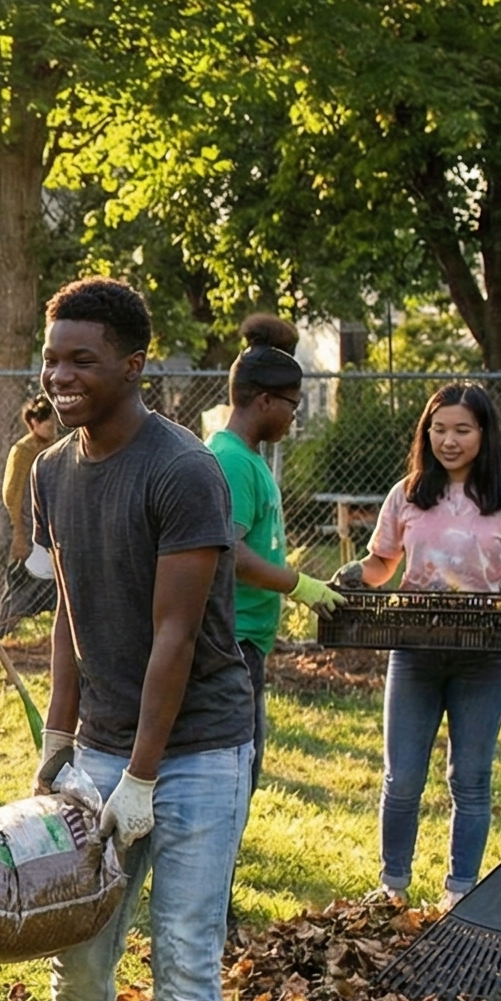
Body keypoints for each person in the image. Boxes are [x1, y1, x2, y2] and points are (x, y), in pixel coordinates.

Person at [24, 277, 254, 1001]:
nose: (60, 375)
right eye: (52, 356)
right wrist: (58, 735)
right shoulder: (51, 472)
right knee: (76, 952)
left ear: (132, 364)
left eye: (81, 358)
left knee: (185, 970)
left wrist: (143, 780)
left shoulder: (182, 471)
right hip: (100, 746)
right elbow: (74, 606)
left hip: (194, 752)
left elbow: (171, 634)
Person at [340, 384, 501, 907]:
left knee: (471, 776)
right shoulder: (408, 494)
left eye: (462, 430)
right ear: (426, 433)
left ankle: (460, 891)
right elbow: (382, 563)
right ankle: (392, 885)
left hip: (485, 655)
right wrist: (356, 575)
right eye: (439, 429)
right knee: (403, 776)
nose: (449, 441)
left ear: (484, 434)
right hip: (414, 650)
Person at [205, 315, 337, 795]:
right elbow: (228, 552)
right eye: (292, 406)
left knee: (249, 764)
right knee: (238, 773)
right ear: (264, 400)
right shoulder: (232, 461)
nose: (294, 416)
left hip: (250, 640)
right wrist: (299, 585)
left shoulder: (248, 457)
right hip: (231, 639)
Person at [0, 395, 64, 627]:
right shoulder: (23, 450)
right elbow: (12, 493)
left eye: (55, 423)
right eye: (48, 423)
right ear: (34, 423)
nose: (53, 428)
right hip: (26, 522)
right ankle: (4, 628)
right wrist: (19, 530)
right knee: (20, 578)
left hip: (51, 521)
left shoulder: (58, 448)